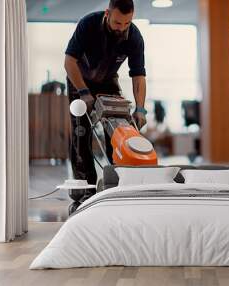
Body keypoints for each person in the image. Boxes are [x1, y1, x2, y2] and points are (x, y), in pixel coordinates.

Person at [64, 0, 147, 193]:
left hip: (108, 81)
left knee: (119, 130)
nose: (122, 28)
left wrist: (140, 109)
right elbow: (69, 61)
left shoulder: (134, 36)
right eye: (118, 23)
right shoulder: (88, 25)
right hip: (79, 80)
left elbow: (138, 76)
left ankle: (119, 182)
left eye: (127, 23)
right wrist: (84, 92)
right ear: (107, 13)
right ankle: (86, 189)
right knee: (81, 132)